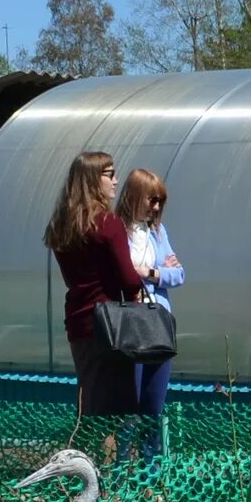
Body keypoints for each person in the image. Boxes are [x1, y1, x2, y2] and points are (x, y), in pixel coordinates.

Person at [46, 150, 148, 415]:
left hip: (79, 321)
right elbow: (129, 280)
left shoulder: (62, 225)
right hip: (110, 326)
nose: (115, 181)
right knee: (113, 409)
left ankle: (85, 454)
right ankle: (100, 456)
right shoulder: (107, 223)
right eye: (110, 174)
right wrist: (144, 278)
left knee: (89, 399)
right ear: (93, 179)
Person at [118, 168, 184, 423]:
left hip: (158, 323)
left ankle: (151, 462)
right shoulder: (118, 231)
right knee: (127, 406)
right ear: (135, 195)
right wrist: (161, 270)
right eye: (151, 199)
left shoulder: (158, 232)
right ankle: (122, 461)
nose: (156, 208)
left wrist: (149, 272)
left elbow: (179, 274)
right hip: (129, 324)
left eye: (160, 201)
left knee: (153, 405)